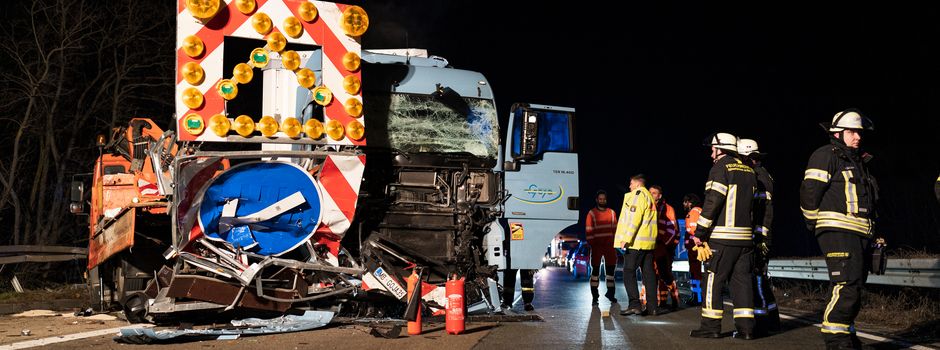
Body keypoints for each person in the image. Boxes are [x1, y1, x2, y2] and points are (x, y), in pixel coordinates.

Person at [800, 109, 882, 350]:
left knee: (854, 286)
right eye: (852, 132)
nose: (857, 136)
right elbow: (810, 192)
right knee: (846, 284)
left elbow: (869, 201)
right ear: (837, 133)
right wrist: (813, 222)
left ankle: (847, 335)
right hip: (837, 230)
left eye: (859, 132)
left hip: (859, 232)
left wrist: (875, 232)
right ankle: (836, 339)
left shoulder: (859, 162)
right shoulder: (825, 155)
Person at [689, 132, 758, 340]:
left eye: (712, 149)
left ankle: (710, 327)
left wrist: (700, 233)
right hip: (745, 239)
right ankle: (746, 329)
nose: (711, 154)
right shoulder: (749, 170)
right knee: (742, 283)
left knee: (712, 280)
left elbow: (713, 201)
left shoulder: (720, 168)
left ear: (720, 149)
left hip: (722, 237)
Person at [738, 138, 780, 335]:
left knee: (757, 280)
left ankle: (763, 324)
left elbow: (764, 211)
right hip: (759, 236)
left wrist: (760, 238)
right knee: (760, 279)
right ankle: (772, 321)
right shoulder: (761, 174)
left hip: (759, 238)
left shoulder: (759, 178)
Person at [615, 174, 662, 316]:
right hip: (648, 243)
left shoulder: (638, 194)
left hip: (636, 242)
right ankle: (653, 307)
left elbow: (634, 218)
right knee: (648, 274)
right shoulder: (649, 196)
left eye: (630, 183)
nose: (629, 186)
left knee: (628, 272)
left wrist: (626, 238)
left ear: (637, 184)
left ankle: (634, 304)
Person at [585, 190, 619, 305]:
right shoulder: (591, 213)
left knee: (610, 274)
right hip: (597, 247)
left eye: (604, 199)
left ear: (606, 200)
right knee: (595, 274)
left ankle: (611, 294)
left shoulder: (612, 213)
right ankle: (595, 298)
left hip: (610, 246)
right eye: (600, 199)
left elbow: (616, 230)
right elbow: (589, 231)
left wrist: (615, 243)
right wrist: (593, 244)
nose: (602, 201)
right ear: (597, 200)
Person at [650, 185, 680, 311]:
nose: (651, 194)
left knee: (665, 274)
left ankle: (674, 299)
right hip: (651, 247)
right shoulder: (648, 207)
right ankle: (656, 301)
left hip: (664, 247)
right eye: (650, 192)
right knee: (652, 275)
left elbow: (673, 231)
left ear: (660, 195)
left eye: (654, 193)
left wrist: (665, 246)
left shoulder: (668, 209)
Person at [682, 193, 704, 306]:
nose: (683, 204)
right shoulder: (700, 211)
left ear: (690, 202)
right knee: (696, 272)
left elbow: (693, 230)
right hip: (696, 247)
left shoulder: (694, 212)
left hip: (694, 247)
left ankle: (697, 297)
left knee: (695, 272)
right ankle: (697, 297)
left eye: (685, 201)